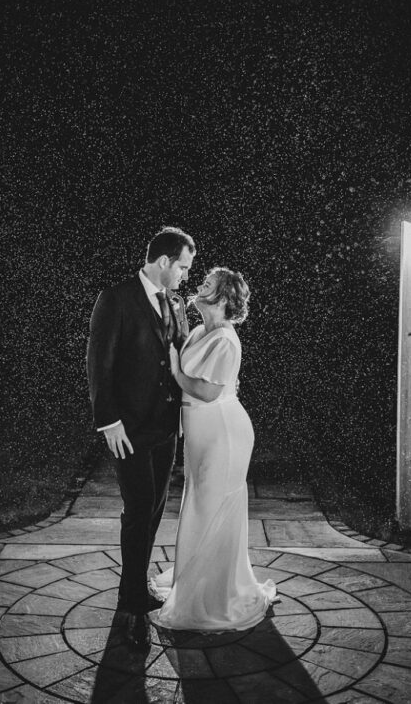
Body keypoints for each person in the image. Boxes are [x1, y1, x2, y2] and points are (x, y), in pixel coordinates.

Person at [150, 267, 276, 631]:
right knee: (200, 506)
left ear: (222, 298)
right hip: (201, 432)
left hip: (223, 433)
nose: (200, 285)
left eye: (208, 284)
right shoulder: (202, 331)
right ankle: (199, 582)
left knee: (212, 508)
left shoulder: (226, 340)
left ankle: (214, 597)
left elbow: (206, 391)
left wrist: (175, 370)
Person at [86, 226, 194, 647]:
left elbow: (181, 355)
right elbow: (99, 363)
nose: (185, 275)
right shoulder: (115, 298)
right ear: (164, 261)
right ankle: (129, 602)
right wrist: (108, 422)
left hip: (166, 427)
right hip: (127, 429)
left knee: (153, 510)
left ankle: (136, 585)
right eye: (182, 267)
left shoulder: (177, 303)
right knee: (137, 508)